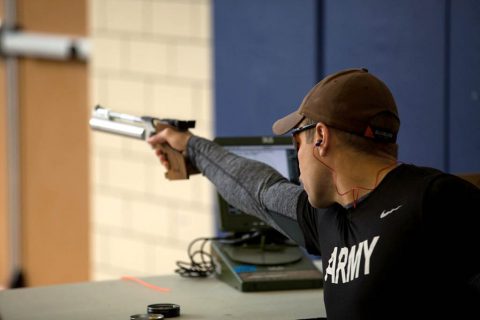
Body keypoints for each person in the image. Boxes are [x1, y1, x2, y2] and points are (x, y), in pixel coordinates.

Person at [147, 68, 480, 320]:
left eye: (296, 141)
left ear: (320, 137)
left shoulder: (436, 200)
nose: (297, 159)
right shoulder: (327, 215)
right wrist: (192, 148)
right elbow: (260, 190)